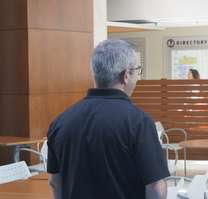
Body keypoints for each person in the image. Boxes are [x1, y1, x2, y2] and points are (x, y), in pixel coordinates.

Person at [47, 40, 170, 199]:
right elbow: (156, 188)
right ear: (126, 75)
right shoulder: (138, 122)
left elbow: (55, 182)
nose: (138, 77)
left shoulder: (60, 122)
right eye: (137, 71)